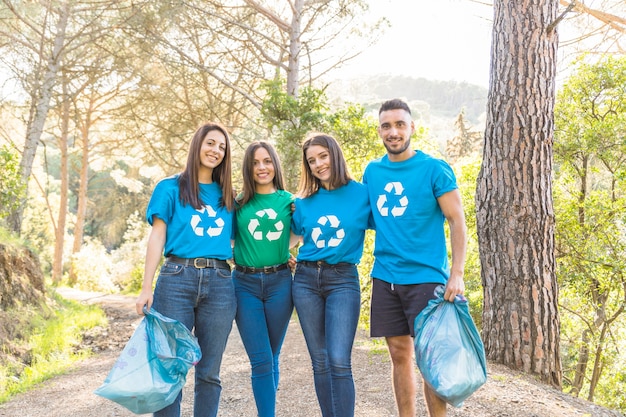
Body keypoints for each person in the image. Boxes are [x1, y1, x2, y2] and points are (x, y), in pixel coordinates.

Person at [363, 98, 467, 417]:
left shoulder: (433, 169)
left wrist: (457, 273)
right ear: (379, 131)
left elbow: (457, 220)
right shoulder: (373, 171)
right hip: (386, 277)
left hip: (427, 278)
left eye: (399, 124)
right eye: (386, 125)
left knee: (429, 358)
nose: (393, 131)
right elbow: (358, 215)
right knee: (398, 355)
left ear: (412, 128)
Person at [135, 122, 237, 417]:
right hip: (176, 280)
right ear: (197, 145)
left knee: (209, 372)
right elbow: (157, 237)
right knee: (170, 368)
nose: (215, 150)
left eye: (222, 147)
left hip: (220, 283)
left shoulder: (228, 196)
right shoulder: (169, 188)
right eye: (210, 143)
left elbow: (241, 241)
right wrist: (145, 287)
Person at [290, 133, 371, 417]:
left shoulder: (362, 193)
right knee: (320, 362)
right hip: (306, 281)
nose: (318, 164)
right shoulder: (303, 202)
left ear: (335, 155)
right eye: (312, 161)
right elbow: (289, 239)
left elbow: (390, 228)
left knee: (339, 360)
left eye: (323, 156)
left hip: (343, 280)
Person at [232, 141, 296, 417]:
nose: (262, 167)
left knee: (272, 356)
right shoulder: (237, 203)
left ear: (275, 165)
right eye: (256, 162)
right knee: (260, 361)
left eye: (267, 161)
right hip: (244, 285)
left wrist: (287, 250)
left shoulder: (289, 201)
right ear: (248, 167)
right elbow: (227, 239)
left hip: (280, 283)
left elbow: (303, 231)